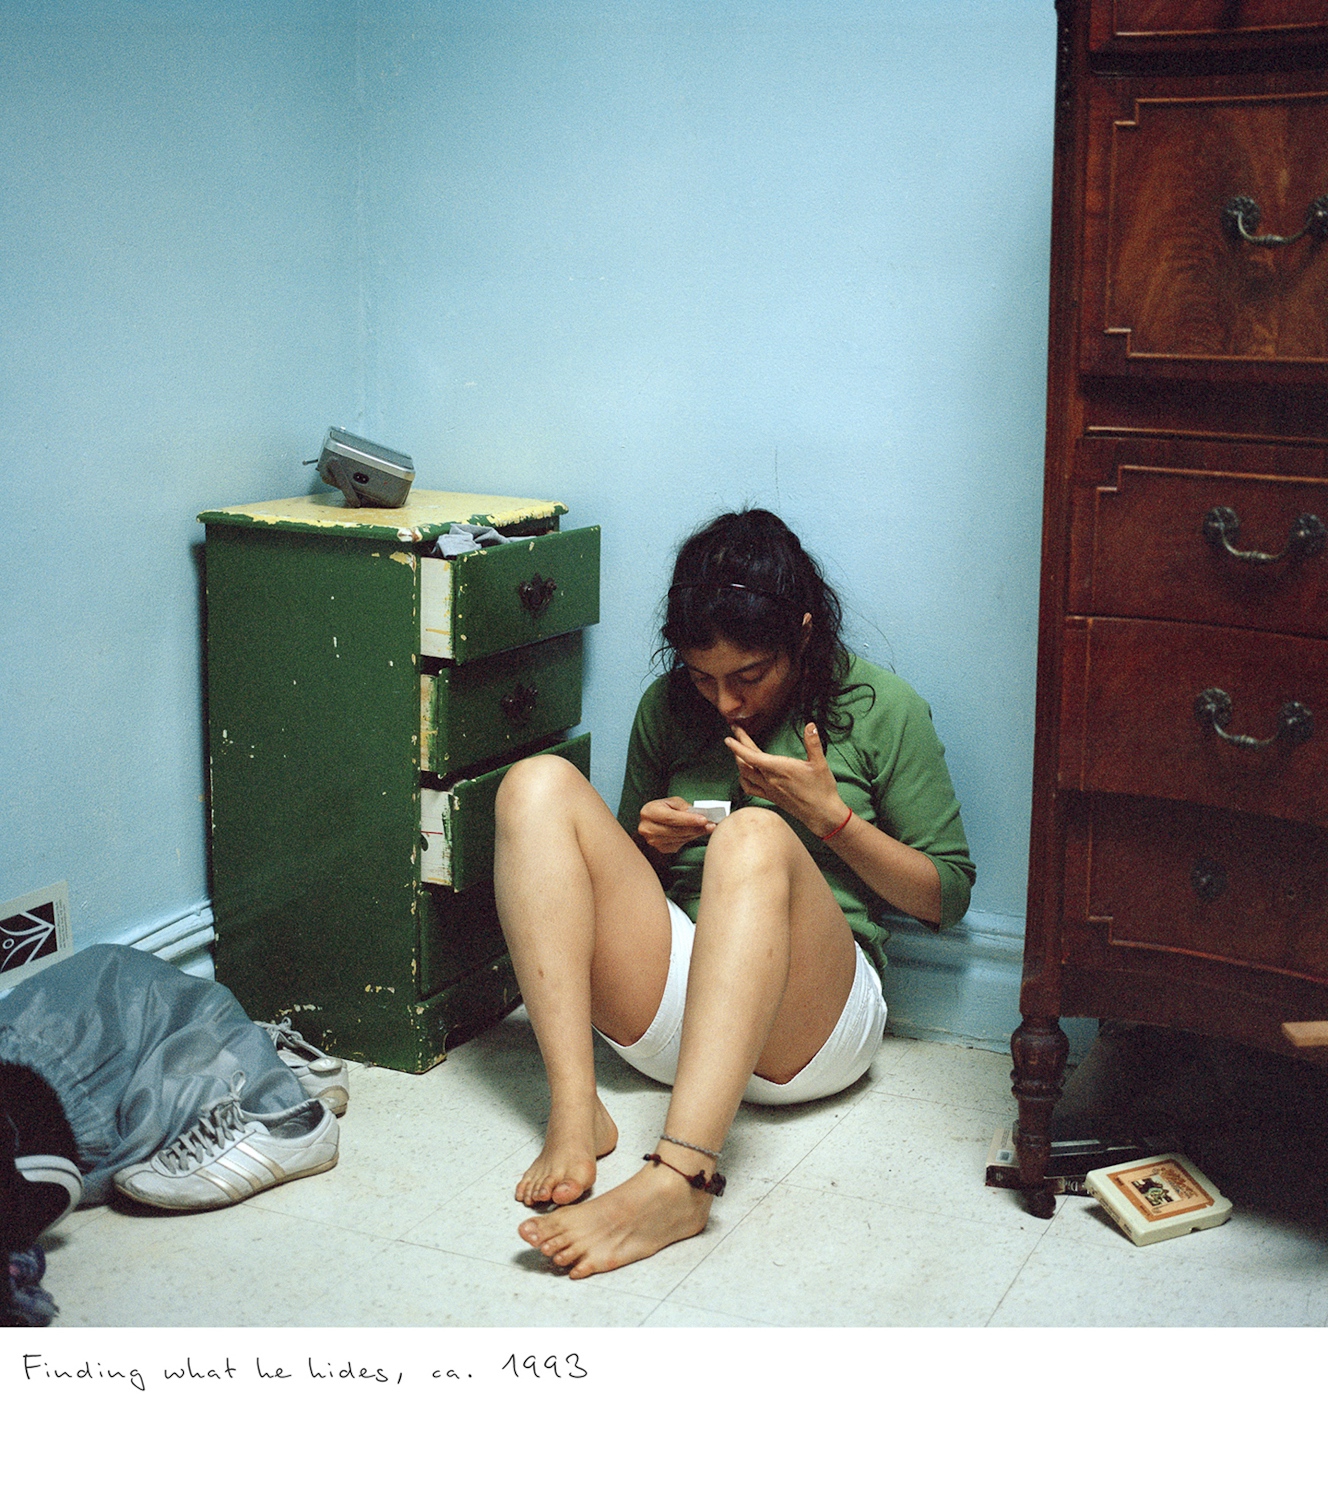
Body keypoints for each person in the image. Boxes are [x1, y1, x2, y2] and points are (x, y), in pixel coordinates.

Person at [494, 508, 974, 1279]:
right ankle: (576, 1110)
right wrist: (650, 844)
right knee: (534, 784)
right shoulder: (668, 708)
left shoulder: (884, 708)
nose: (724, 702)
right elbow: (604, 890)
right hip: (682, 1010)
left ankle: (681, 1180)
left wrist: (832, 820)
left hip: (811, 1030)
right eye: (703, 677)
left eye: (748, 677)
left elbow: (945, 898)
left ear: (804, 635)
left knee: (753, 837)